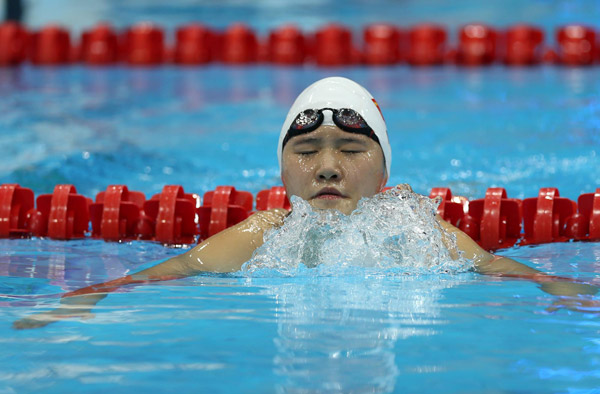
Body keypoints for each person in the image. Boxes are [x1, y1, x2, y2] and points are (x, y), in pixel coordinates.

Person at [14, 77, 597, 329]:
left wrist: (562, 286)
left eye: (350, 148)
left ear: (385, 170)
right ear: (282, 168)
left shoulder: (414, 229)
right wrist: (88, 297)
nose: (325, 166)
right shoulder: (266, 231)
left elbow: (494, 266)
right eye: (307, 150)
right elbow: (179, 268)